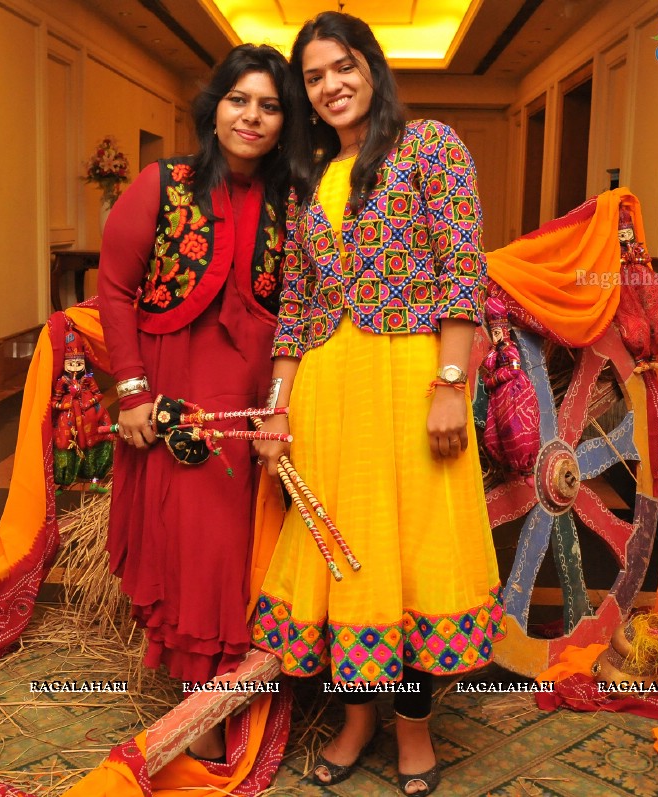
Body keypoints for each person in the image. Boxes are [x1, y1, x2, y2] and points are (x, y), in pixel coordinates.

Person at [251, 12, 504, 796]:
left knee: (412, 562)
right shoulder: (306, 178)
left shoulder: (430, 146)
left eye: (341, 66)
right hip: (328, 395)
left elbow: (462, 270)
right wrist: (275, 406)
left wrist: (450, 386)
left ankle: (413, 727)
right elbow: (296, 304)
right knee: (343, 558)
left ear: (372, 65)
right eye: (314, 76)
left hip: (407, 386)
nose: (330, 85)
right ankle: (357, 716)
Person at [98, 43, 291, 762]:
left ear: (283, 120)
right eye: (239, 100)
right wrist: (131, 390)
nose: (252, 116)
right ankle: (201, 704)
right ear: (214, 109)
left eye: (269, 105)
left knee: (246, 543)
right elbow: (115, 288)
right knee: (199, 542)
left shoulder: (291, 196)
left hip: (255, 391)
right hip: (179, 390)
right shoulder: (162, 183)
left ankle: (246, 680)